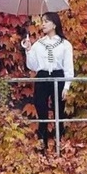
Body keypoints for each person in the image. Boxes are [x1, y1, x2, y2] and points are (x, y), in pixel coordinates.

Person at [21, 12, 74, 148]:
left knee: (59, 110)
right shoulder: (39, 44)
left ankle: (59, 142)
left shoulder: (64, 44)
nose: (43, 24)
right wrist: (28, 50)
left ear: (54, 24)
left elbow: (68, 67)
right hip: (42, 76)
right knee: (41, 109)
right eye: (42, 21)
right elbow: (32, 66)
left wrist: (67, 86)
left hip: (58, 76)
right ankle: (42, 143)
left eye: (46, 21)